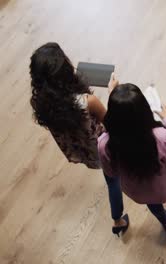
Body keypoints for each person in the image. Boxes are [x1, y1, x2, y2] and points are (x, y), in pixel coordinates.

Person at [29, 42, 129, 236]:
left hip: (85, 153)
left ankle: (119, 221)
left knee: (111, 178)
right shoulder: (87, 102)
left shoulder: (42, 105)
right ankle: (117, 219)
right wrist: (112, 92)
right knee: (114, 181)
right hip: (106, 149)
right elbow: (112, 124)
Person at [98, 83, 166, 249]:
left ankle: (165, 222)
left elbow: (111, 172)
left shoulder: (105, 144)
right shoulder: (160, 137)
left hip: (139, 191)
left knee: (153, 204)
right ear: (145, 110)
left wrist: (113, 95)